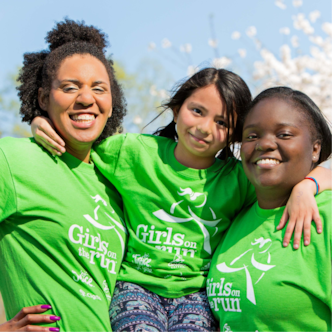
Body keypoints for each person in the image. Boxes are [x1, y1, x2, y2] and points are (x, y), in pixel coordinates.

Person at [31, 69, 332, 332]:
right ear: (177, 109)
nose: (204, 128)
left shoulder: (238, 178)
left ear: (233, 136)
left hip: (196, 296)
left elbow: (300, 171)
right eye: (197, 111)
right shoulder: (132, 152)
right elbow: (77, 138)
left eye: (222, 123)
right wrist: (42, 124)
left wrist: (308, 185)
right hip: (137, 286)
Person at [0, 19, 127, 332]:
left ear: (112, 103)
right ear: (43, 98)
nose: (86, 99)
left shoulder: (117, 181)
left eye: (99, 88)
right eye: (70, 87)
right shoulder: (14, 160)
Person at [207, 87, 332, 331]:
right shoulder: (235, 220)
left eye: (284, 134)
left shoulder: (326, 218)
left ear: (315, 149)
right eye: (251, 136)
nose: (264, 144)